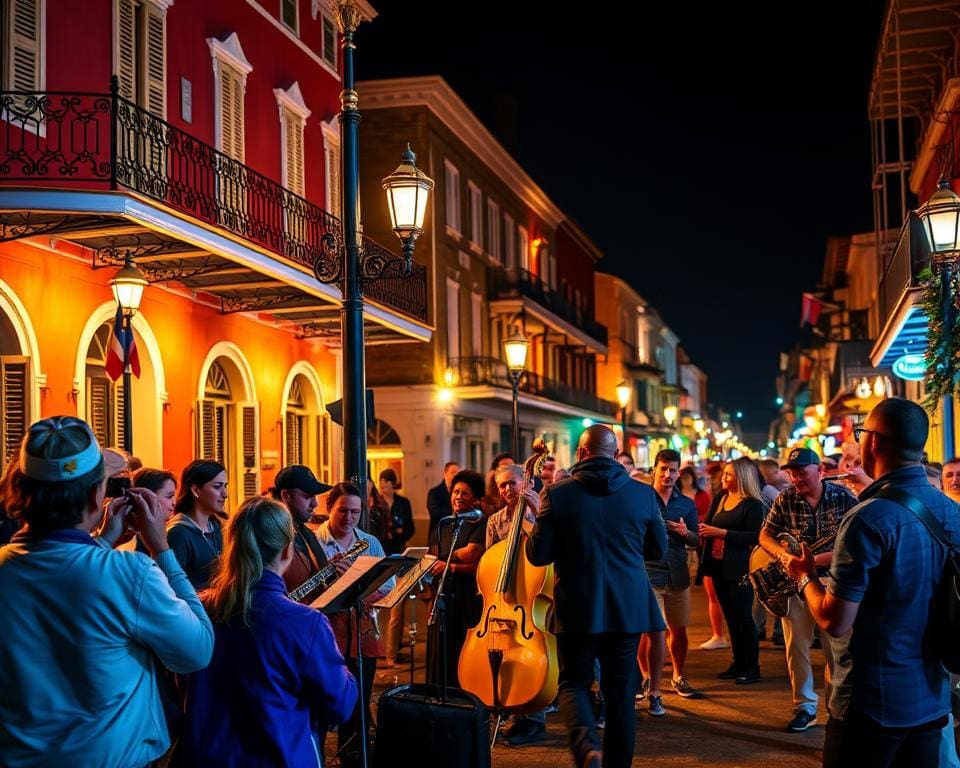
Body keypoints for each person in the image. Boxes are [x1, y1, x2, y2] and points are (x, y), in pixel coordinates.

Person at [0, 416, 213, 766]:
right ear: (95, 493)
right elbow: (197, 650)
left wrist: (105, 540)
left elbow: (62, 569)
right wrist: (162, 549)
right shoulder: (129, 573)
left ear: (20, 489)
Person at [785, 398, 960, 766]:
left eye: (860, 432)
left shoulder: (868, 518)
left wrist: (805, 578)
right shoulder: (950, 509)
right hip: (932, 696)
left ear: (874, 442)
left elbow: (835, 621)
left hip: (873, 701)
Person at [174, 496, 357, 767]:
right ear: (286, 551)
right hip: (279, 755)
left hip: (203, 756)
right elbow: (340, 704)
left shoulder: (199, 609)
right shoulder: (305, 623)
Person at [526, 425, 667, 768]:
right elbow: (658, 550)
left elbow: (538, 555)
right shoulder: (644, 494)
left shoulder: (557, 494)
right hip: (627, 608)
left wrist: (538, 523)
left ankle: (587, 746)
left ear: (581, 452)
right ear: (616, 454)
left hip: (577, 607)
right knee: (621, 697)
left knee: (573, 682)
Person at [759, 447, 857, 733]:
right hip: (795, 584)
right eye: (792, 473)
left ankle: (837, 707)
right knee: (796, 647)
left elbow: (851, 542)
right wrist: (783, 556)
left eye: (802, 472)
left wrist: (812, 561)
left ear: (820, 471)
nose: (797, 478)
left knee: (836, 649)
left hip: (833, 582)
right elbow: (765, 534)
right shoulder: (785, 498)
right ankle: (804, 706)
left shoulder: (843, 497)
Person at [314, 482, 394, 768]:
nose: (348, 518)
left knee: (359, 695)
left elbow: (390, 584)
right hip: (326, 629)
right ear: (329, 510)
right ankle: (318, 755)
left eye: (355, 512)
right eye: (342, 511)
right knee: (324, 696)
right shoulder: (316, 542)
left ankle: (353, 755)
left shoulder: (369, 542)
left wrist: (359, 587)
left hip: (361, 629)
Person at [485, 463, 545, 746]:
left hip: (531, 596)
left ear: (527, 483)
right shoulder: (495, 521)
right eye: (502, 485)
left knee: (535, 656)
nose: (507, 489)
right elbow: (489, 562)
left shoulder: (543, 511)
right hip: (502, 599)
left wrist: (530, 515)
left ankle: (534, 717)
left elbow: (546, 550)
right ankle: (507, 708)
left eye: (512, 483)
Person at [638, 449, 701, 715]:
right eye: (663, 469)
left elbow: (697, 539)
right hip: (649, 572)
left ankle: (677, 675)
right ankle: (649, 680)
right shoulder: (642, 498)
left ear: (679, 473)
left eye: (673, 470)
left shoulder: (685, 503)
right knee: (652, 631)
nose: (667, 475)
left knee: (679, 630)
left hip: (677, 573)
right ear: (655, 469)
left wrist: (687, 533)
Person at [697, 457, 765, 685]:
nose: (723, 478)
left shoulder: (752, 504)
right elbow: (707, 527)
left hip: (741, 567)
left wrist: (722, 533)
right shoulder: (721, 497)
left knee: (744, 617)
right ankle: (738, 662)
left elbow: (756, 537)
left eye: (728, 474)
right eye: (724, 474)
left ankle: (752, 666)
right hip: (717, 565)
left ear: (741, 478)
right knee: (731, 616)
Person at [426, 469, 486, 690]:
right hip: (443, 596)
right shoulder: (444, 523)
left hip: (467, 597)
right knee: (440, 650)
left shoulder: (479, 522)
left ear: (477, 499)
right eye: (456, 492)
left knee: (460, 649)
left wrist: (448, 564)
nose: (459, 497)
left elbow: (473, 556)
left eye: (465, 493)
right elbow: (433, 555)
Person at [268, 464, 332, 602]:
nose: (315, 504)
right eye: (307, 497)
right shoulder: (269, 534)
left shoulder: (305, 532)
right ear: (285, 495)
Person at [167, 460, 228, 590]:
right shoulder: (178, 533)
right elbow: (173, 586)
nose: (225, 494)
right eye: (217, 487)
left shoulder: (218, 527)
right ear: (195, 490)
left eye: (225, 486)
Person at [378, 467, 415, 668]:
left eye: (387, 481)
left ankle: (391, 654)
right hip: (381, 557)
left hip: (399, 556)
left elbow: (410, 528)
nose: (383, 485)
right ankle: (381, 651)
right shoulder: (376, 504)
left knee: (397, 607)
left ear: (394, 483)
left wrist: (399, 533)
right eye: (381, 481)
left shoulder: (403, 503)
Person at [426, 461, 459, 544]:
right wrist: (455, 514)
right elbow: (436, 514)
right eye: (452, 473)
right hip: (439, 536)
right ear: (445, 474)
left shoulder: (459, 493)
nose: (456, 476)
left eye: (457, 473)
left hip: (456, 537)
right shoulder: (434, 492)